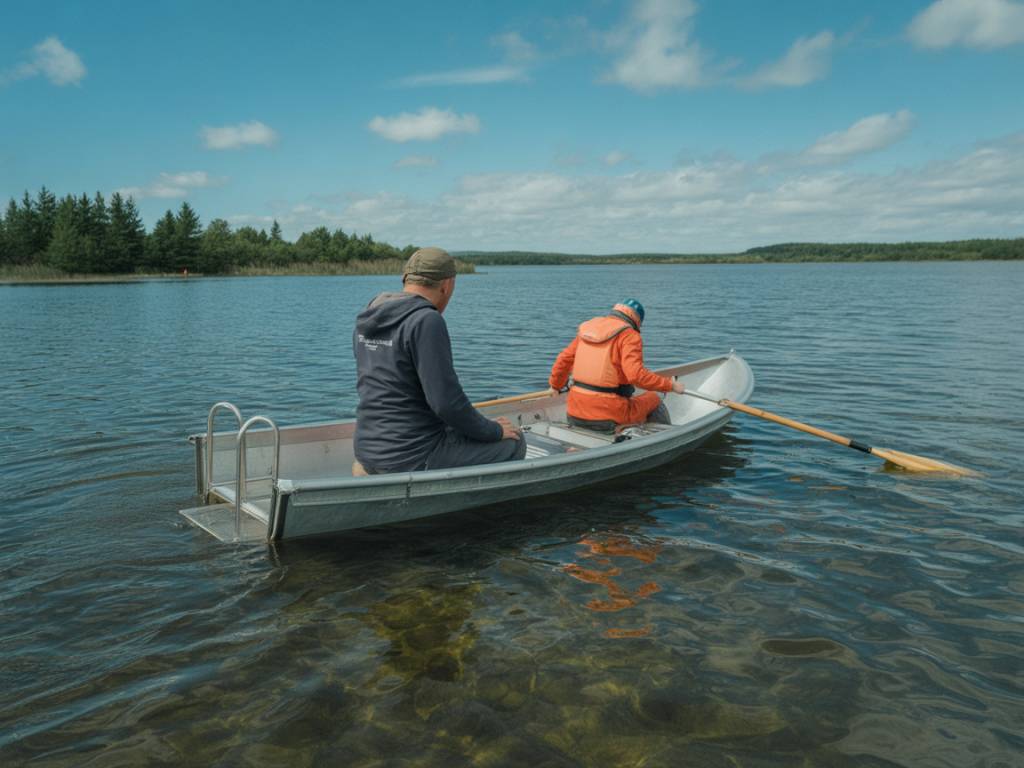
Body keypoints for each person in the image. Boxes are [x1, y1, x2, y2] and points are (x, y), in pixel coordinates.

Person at [352, 247, 526, 474]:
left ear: (405, 279)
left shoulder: (370, 315)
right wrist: (493, 431)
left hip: (367, 449)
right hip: (412, 455)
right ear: (447, 285)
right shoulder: (426, 320)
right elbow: (446, 404)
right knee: (514, 443)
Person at [547, 298, 685, 431]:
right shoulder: (629, 335)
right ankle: (660, 441)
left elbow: (563, 360)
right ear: (637, 322)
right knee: (654, 398)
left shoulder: (587, 330)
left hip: (574, 412)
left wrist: (555, 386)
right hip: (609, 416)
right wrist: (670, 385)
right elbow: (636, 375)